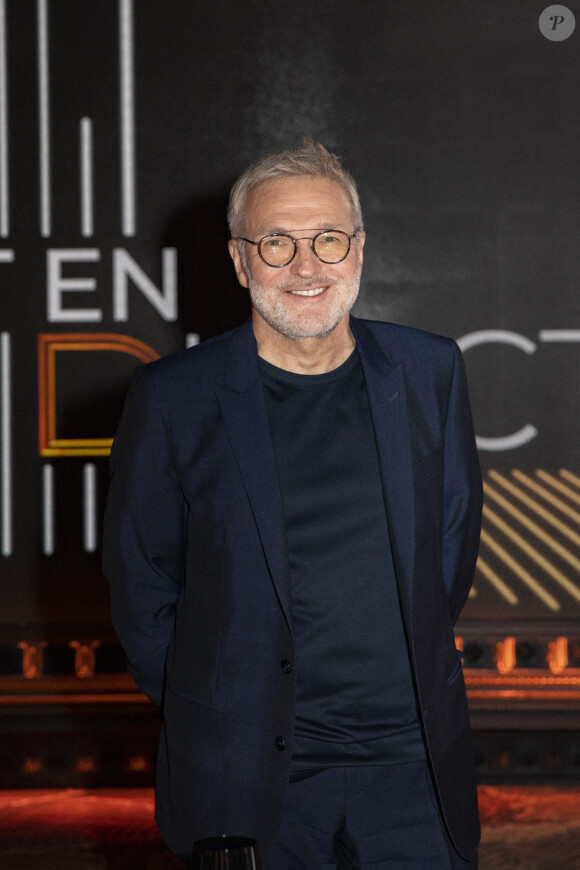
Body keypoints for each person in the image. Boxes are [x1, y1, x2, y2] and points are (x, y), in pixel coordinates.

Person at [103, 139, 483, 869]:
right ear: (242, 261)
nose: (306, 267)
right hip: (249, 782)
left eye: (327, 240)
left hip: (414, 774)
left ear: (360, 249)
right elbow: (142, 583)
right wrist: (210, 709)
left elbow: (449, 551)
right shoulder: (175, 397)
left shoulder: (430, 369)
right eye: (277, 244)